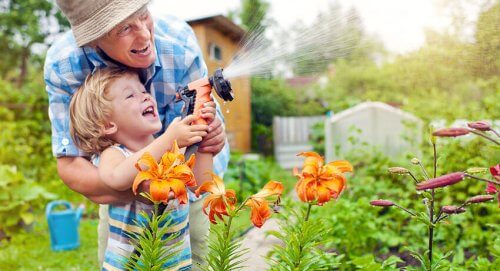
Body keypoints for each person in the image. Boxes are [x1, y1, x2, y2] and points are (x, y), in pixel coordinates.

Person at [44, 0, 229, 267]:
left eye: (143, 15)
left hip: (179, 245)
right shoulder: (116, 152)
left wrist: (208, 144)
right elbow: (107, 174)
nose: (144, 34)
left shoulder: (178, 43)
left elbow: (198, 186)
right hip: (126, 233)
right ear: (94, 39)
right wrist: (169, 143)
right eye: (124, 28)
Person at [70, 67, 213, 270]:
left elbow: (201, 185)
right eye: (131, 95)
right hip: (133, 265)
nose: (145, 97)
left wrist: (203, 136)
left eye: (144, 91)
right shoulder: (115, 154)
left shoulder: (171, 147)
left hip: (175, 264)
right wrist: (168, 139)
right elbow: (116, 178)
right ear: (109, 124)